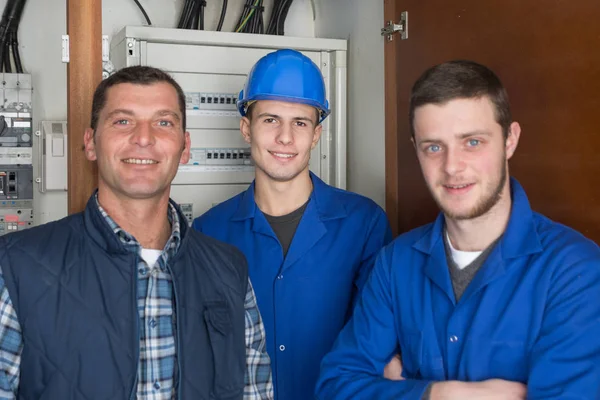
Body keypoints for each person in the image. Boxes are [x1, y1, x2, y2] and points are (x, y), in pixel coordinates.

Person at [316, 60, 600, 399]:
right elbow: (336, 386)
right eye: (433, 147)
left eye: (473, 142)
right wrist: (441, 394)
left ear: (510, 140)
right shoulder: (395, 264)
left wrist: (397, 387)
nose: (452, 167)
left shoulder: (576, 272)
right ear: (416, 150)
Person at [0, 66, 273, 399]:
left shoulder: (230, 270)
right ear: (91, 143)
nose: (144, 138)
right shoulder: (15, 267)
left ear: (184, 148)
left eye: (163, 122)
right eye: (122, 121)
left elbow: (255, 391)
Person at [192, 49, 392, 400]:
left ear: (316, 134)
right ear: (245, 128)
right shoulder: (209, 232)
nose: (285, 137)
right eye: (270, 120)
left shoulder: (364, 225)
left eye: (300, 122)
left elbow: (377, 345)